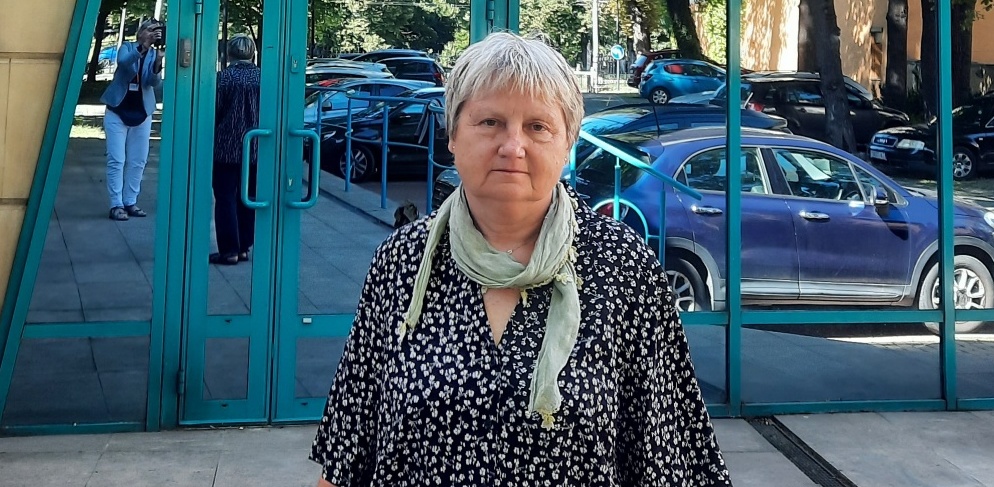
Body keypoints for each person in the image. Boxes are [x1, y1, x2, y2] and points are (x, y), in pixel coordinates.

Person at [310, 32, 730, 486]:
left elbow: (671, 461)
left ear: (566, 144)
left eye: (537, 127)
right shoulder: (401, 263)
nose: (513, 146)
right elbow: (347, 458)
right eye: (490, 122)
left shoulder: (623, 267)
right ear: (453, 134)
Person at [101, 18, 163, 221]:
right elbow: (124, 64)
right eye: (150, 30)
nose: (153, 34)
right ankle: (116, 204)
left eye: (156, 31)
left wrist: (157, 64)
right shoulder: (127, 47)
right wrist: (142, 47)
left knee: (138, 160)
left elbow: (152, 82)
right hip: (117, 110)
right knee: (117, 159)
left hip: (142, 112)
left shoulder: (154, 53)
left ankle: (130, 201)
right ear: (141, 32)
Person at [210, 34, 260, 265]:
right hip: (255, 147)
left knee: (225, 198)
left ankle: (229, 249)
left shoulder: (223, 78)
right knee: (247, 198)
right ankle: (244, 247)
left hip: (225, 148)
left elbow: (215, 111)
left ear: (228, 54)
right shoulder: (263, 78)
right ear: (252, 54)